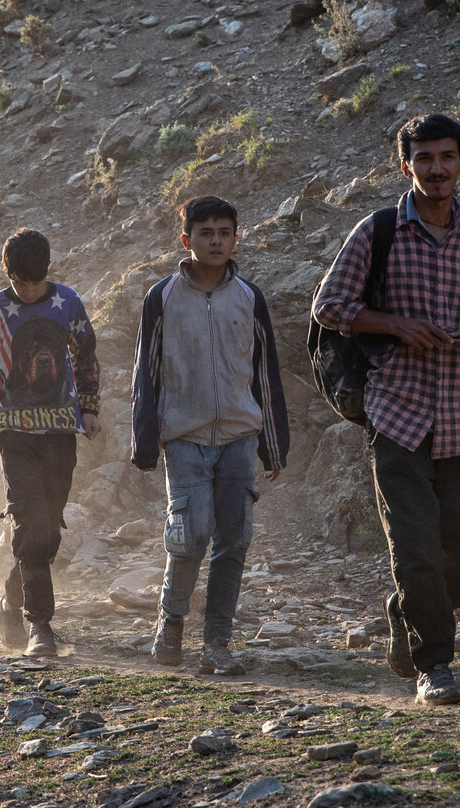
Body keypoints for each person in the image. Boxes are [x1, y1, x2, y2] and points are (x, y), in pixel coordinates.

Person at [312, 113, 460, 705]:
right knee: (415, 546)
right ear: (404, 165)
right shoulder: (376, 231)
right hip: (396, 411)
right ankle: (435, 666)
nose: (436, 169)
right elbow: (329, 305)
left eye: (447, 157)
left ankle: (406, 608)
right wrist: (398, 326)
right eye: (424, 158)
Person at [131, 195, 289, 676]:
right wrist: (144, 440)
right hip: (185, 435)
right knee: (190, 533)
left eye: (225, 232)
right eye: (206, 232)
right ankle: (171, 621)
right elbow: (148, 371)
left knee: (235, 537)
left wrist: (274, 443)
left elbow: (264, 372)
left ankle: (218, 641)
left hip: (240, 434)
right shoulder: (162, 297)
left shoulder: (249, 297)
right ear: (187, 240)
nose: (216, 240)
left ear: (236, 238)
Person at [0, 227, 101, 657]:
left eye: (37, 282)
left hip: (61, 432)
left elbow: (87, 355)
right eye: (22, 283)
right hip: (15, 434)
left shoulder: (68, 302)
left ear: (48, 271)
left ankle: (7, 604)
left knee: (48, 529)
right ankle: (40, 626)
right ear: (8, 274)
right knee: (30, 523)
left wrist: (90, 407)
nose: (31, 290)